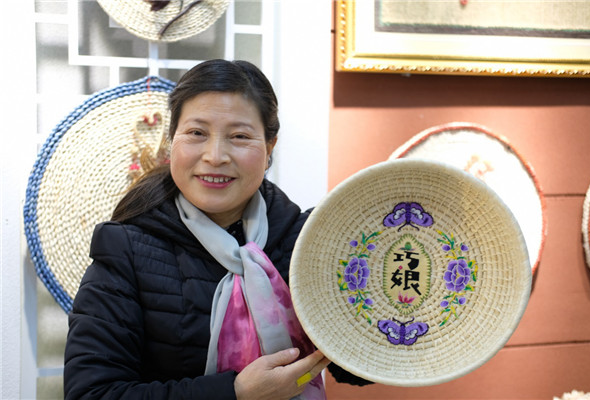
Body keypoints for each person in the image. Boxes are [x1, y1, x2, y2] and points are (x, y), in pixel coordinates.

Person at [64, 59, 369, 399]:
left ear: (269, 148)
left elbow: (355, 365)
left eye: (239, 136)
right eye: (197, 133)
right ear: (172, 140)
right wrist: (235, 393)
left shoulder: (309, 241)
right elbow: (91, 393)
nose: (215, 156)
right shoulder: (125, 251)